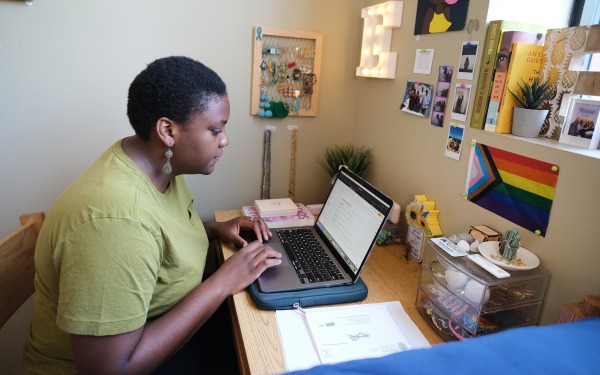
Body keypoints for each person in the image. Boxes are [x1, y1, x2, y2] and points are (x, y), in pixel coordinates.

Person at [23, 56, 282, 374]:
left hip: (162, 331)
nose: (225, 140)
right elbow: (112, 369)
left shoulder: (158, 166)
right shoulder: (115, 222)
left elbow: (152, 237)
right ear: (168, 131)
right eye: (215, 130)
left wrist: (213, 229)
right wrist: (222, 283)